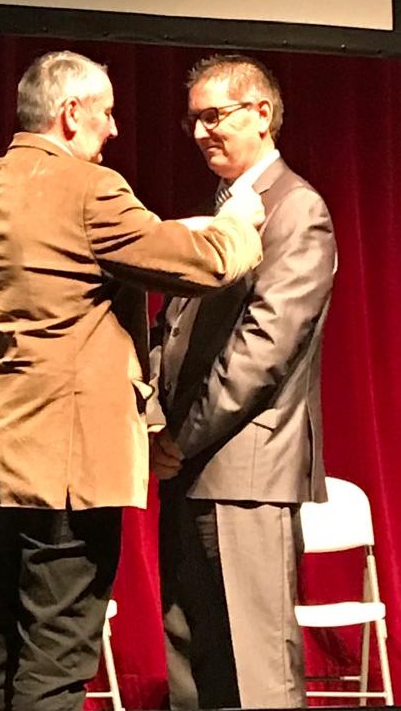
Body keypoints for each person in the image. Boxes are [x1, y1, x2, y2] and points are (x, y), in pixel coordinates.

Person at [0, 50, 265, 711]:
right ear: (71, 113)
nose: (115, 128)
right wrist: (238, 223)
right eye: (105, 112)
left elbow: (70, 265)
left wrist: (164, 231)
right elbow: (203, 266)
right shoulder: (90, 188)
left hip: (5, 452)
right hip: (71, 459)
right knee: (58, 647)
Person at [149, 54, 337, 709]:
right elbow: (168, 332)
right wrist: (151, 426)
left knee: (254, 671)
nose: (201, 132)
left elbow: (264, 351)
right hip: (188, 473)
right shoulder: (216, 211)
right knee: (193, 665)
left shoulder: (297, 211)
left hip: (246, 479)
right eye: (193, 120)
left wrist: (180, 436)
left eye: (214, 116)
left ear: (262, 113)